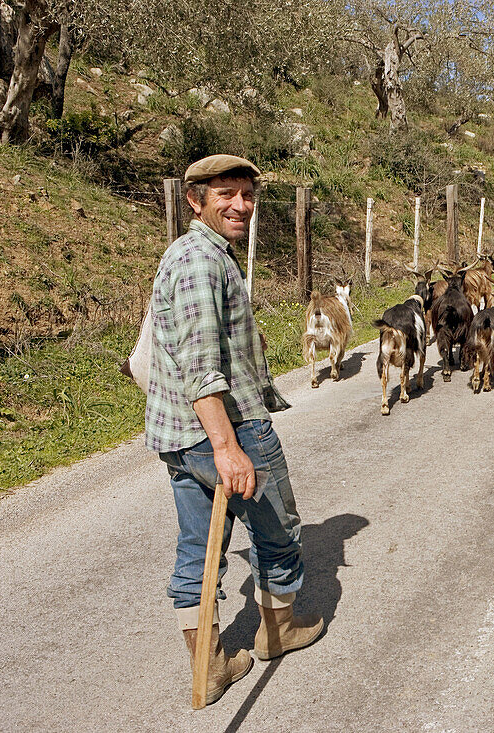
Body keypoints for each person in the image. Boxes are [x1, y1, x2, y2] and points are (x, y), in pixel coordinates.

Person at [145, 154, 323, 706]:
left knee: (199, 547)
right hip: (230, 429)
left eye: (247, 194)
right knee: (278, 530)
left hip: (179, 436)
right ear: (194, 200)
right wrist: (227, 447)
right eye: (226, 194)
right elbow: (202, 365)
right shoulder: (202, 262)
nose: (240, 205)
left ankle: (212, 665)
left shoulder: (190, 253)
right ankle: (277, 630)